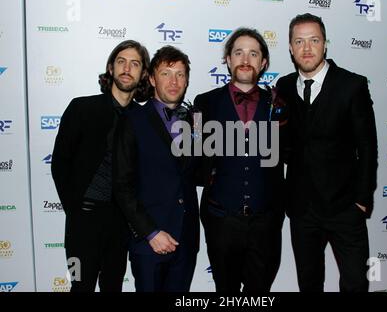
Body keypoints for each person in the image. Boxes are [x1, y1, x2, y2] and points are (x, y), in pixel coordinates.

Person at [276, 13, 378, 292]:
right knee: (309, 284)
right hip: (302, 209)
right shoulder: (283, 86)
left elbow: (368, 146)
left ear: (325, 45)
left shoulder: (352, 85)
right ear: (290, 47)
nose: (307, 48)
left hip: (345, 206)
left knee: (355, 283)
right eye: (299, 41)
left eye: (314, 40)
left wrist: (362, 199)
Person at [51, 40, 152, 292]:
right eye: (121, 62)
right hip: (82, 223)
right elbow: (60, 164)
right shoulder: (81, 108)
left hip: (120, 224)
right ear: (110, 68)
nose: (127, 68)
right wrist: (75, 210)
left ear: (143, 75)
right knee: (79, 286)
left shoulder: (143, 120)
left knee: (113, 287)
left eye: (135, 64)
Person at [194, 28, 286, 292]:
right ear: (228, 59)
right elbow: (195, 153)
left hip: (266, 222)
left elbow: (291, 151)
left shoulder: (279, 104)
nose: (246, 59)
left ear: (263, 63)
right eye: (239, 52)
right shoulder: (204, 103)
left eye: (253, 53)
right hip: (221, 220)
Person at [113, 45, 199, 292]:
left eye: (180, 74)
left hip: (185, 239)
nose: (174, 81)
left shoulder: (195, 120)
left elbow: (199, 172)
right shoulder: (131, 120)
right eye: (166, 73)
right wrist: (150, 233)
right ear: (151, 78)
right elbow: (122, 186)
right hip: (149, 243)